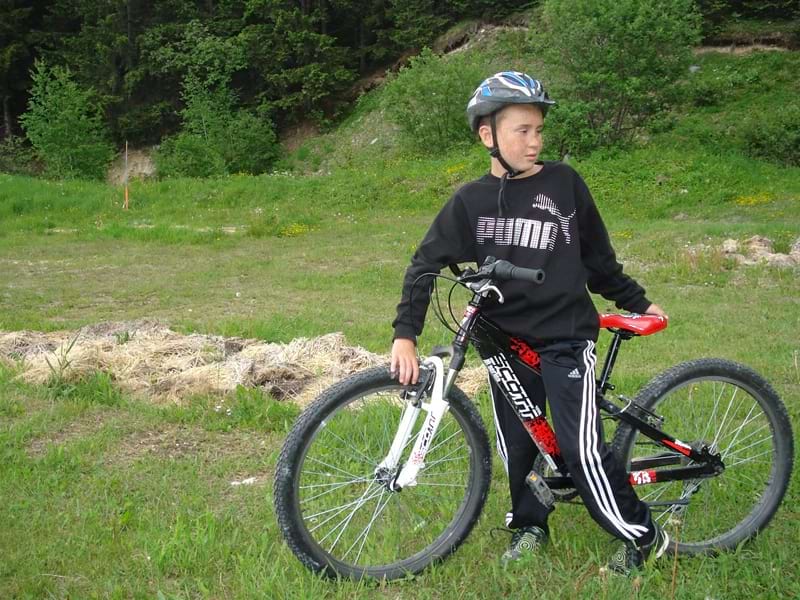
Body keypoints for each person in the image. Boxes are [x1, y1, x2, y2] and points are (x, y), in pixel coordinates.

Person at [389, 71, 669, 575]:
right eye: (522, 130)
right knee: (519, 442)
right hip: (504, 343)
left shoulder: (564, 183)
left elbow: (597, 258)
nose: (535, 140)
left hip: (564, 338)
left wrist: (636, 300)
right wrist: (405, 335)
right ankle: (529, 524)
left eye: (538, 129)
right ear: (487, 135)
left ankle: (645, 536)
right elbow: (424, 265)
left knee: (578, 447)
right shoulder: (469, 203)